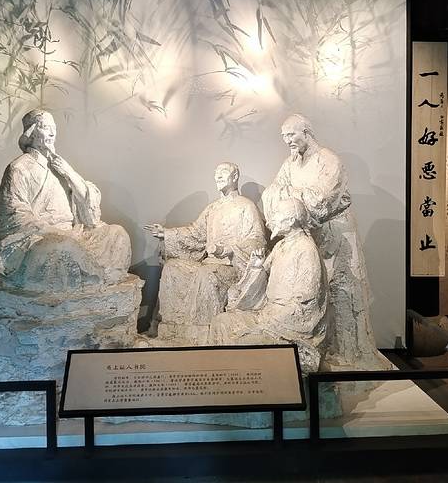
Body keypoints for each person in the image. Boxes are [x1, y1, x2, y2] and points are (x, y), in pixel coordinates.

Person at [262, 114, 387, 370]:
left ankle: (349, 354)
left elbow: (321, 201)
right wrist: (288, 197)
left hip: (336, 233)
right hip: (310, 235)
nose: (287, 141)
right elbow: (271, 193)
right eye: (284, 136)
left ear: (306, 132)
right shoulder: (289, 163)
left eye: (291, 135)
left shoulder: (329, 160)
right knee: (314, 291)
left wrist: (290, 196)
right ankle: (320, 352)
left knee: (341, 290)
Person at [0, 109, 131, 288]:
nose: (52, 133)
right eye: (45, 127)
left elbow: (90, 215)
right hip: (40, 237)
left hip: (73, 233)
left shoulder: (58, 165)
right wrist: (52, 231)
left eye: (54, 128)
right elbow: (15, 213)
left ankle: (103, 279)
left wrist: (70, 174)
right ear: (31, 133)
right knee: (60, 247)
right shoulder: (19, 168)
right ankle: (81, 284)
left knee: (117, 233)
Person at [144, 162, 266, 343]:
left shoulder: (246, 207)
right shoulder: (213, 208)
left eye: (223, 172)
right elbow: (195, 233)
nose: (218, 176)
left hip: (230, 267)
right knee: (172, 268)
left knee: (205, 274)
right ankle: (172, 329)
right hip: (208, 264)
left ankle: (201, 333)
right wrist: (166, 233)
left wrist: (228, 250)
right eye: (216, 173)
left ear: (235, 177)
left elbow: (257, 240)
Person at [211, 198, 326, 372]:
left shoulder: (306, 249)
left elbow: (306, 301)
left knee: (240, 339)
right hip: (267, 312)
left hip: (289, 322)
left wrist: (269, 322)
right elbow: (262, 279)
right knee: (222, 321)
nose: (271, 220)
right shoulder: (280, 246)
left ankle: (246, 382)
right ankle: (222, 377)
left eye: (277, 214)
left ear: (291, 220)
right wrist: (256, 266)